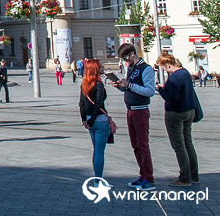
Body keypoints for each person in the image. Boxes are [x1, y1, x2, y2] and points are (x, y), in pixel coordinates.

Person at [110, 43, 156, 190]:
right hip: (130, 110)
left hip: (141, 111)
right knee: (135, 145)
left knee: (143, 145)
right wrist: (121, 86)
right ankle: (142, 175)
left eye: (126, 58)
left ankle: (149, 178)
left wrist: (128, 85)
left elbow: (150, 91)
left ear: (132, 54)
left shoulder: (146, 69)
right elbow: (129, 88)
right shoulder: (131, 68)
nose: (125, 62)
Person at [156, 53, 199, 186]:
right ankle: (194, 175)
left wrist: (160, 90)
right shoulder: (185, 72)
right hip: (189, 111)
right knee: (188, 143)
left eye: (164, 68)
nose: (164, 70)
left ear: (168, 65)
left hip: (175, 113)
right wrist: (166, 87)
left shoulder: (174, 77)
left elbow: (172, 98)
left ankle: (184, 178)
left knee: (178, 145)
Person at [79, 59, 111, 179]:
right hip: (100, 121)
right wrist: (92, 119)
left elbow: (81, 104)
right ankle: (99, 180)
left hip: (90, 121)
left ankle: (97, 179)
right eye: (101, 66)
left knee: (95, 151)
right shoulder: (98, 84)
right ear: (96, 69)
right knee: (99, 152)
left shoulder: (84, 84)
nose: (103, 68)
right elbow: (98, 104)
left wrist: (85, 120)